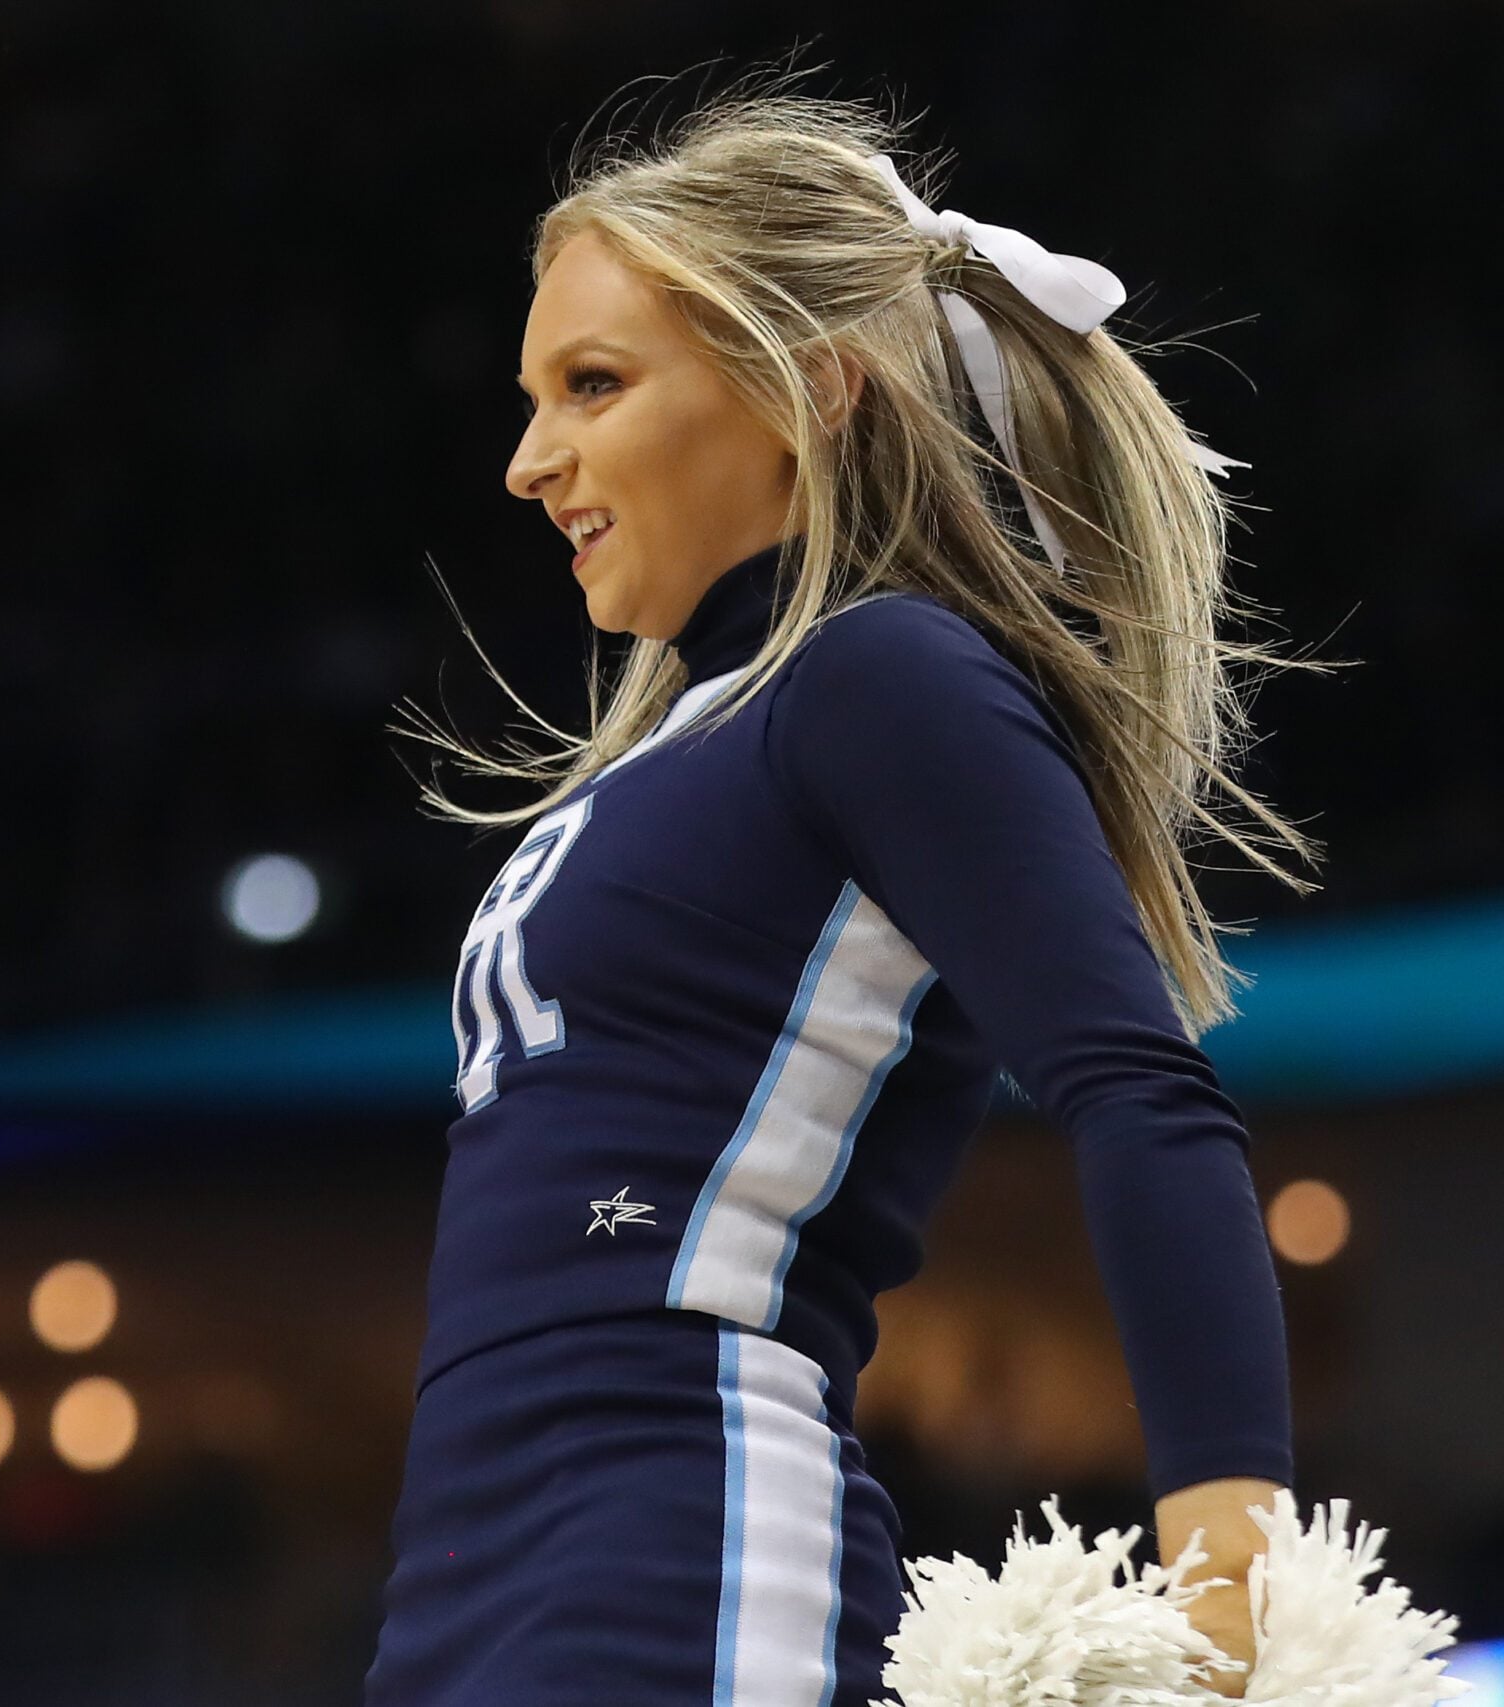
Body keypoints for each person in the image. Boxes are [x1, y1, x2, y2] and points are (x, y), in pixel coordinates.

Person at [363, 81, 1337, 1706]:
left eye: (593, 385)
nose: (532, 462)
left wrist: (1236, 1578)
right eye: (535, 399)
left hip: (689, 1553)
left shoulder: (877, 676)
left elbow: (1139, 1090)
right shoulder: (678, 745)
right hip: (465, 1593)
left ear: (808, 389)